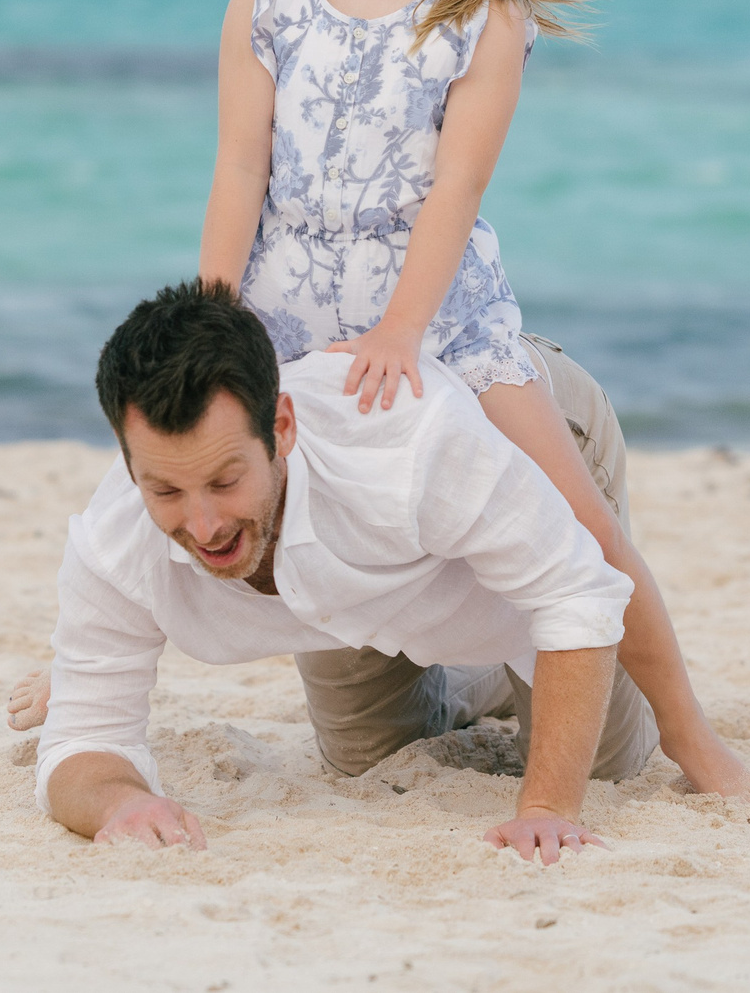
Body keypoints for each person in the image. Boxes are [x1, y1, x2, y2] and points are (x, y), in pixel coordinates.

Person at [18, 0, 750, 800]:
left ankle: (690, 733)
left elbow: (452, 192)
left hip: (439, 317)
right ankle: (82, 658)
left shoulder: (480, 13)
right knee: (187, 462)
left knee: (582, 530)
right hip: (283, 312)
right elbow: (239, 164)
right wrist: (217, 319)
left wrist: (403, 331)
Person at [37, 279, 652, 862]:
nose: (203, 525)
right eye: (166, 490)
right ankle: (492, 672)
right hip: (374, 564)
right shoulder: (113, 539)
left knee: (605, 762)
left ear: (281, 429)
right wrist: (122, 802)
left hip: (516, 407)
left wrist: (545, 806)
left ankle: (522, 655)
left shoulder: (412, 446)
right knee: (371, 760)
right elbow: (79, 740)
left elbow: (576, 591)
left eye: (225, 481)